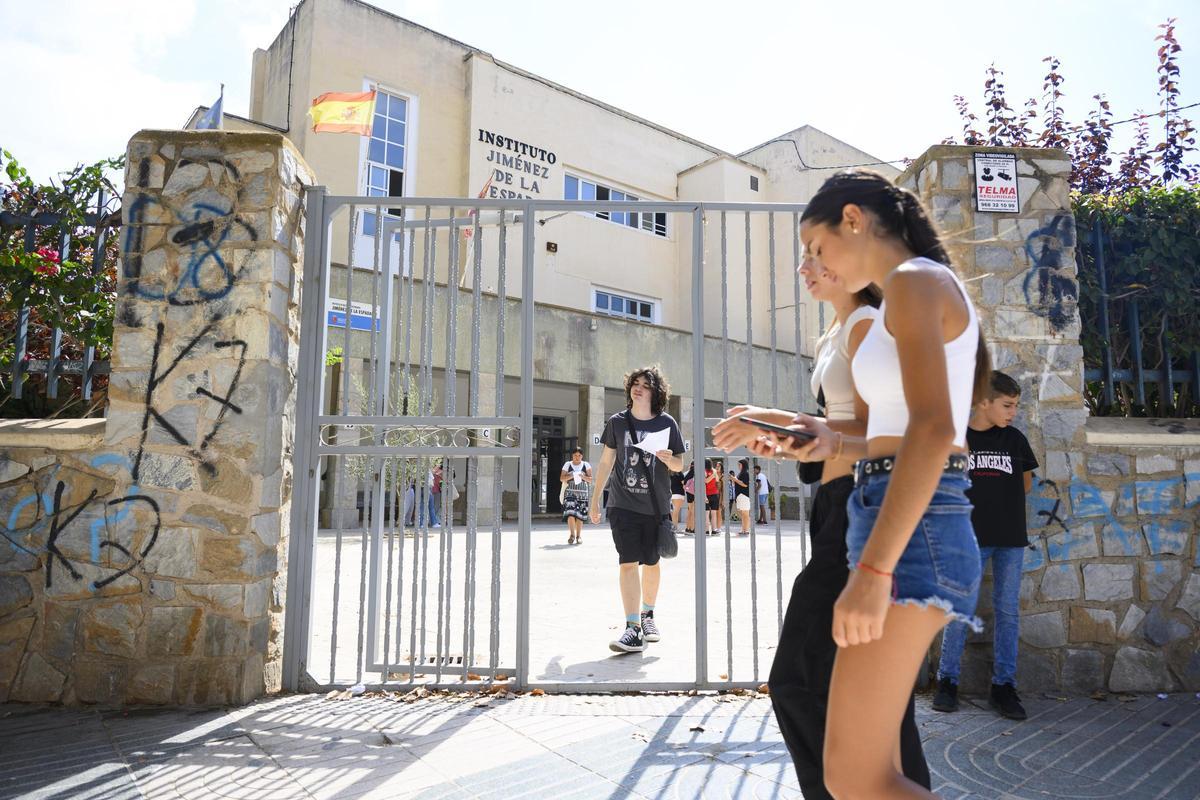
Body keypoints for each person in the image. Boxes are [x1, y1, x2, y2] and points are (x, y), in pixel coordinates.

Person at [727, 169, 990, 799]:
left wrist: (872, 573)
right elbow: (896, 430)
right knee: (869, 774)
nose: (814, 263)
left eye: (816, 247)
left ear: (853, 219)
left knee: (856, 777)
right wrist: (826, 440)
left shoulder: (914, 281)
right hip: (894, 511)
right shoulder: (906, 290)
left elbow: (933, 428)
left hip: (914, 526)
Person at [714, 250, 930, 799]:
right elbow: (835, 429)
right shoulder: (833, 334)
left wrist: (782, 425)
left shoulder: (867, 326)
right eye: (803, 255)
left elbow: (885, 432)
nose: (803, 267)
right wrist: (773, 426)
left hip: (863, 508)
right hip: (835, 506)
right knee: (874, 688)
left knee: (797, 681)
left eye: (818, 254)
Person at [933, 370, 1037, 720]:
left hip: (1010, 539)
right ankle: (947, 681)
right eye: (1007, 405)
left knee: (1007, 611)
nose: (1013, 412)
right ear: (983, 402)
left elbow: (1025, 484)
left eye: (1016, 405)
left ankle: (1003, 686)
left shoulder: (1015, 440)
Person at [589, 366, 685, 653]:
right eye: (635, 383)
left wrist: (668, 459)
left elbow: (680, 464)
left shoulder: (667, 423)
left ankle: (648, 616)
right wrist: (595, 499)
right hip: (623, 504)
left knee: (652, 562)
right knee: (628, 562)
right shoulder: (617, 423)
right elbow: (606, 462)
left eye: (645, 384)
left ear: (656, 392)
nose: (638, 388)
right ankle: (632, 628)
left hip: (655, 507)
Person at [561, 448, 593, 545]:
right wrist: (572, 475)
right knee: (570, 513)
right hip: (570, 492)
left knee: (580, 514)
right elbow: (562, 478)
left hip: (582, 492)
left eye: (579, 455)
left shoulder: (586, 465)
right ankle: (572, 535)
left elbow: (590, 479)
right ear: (572, 456)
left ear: (582, 456)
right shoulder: (567, 465)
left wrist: (582, 476)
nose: (577, 457)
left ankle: (579, 536)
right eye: (575, 455)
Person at [730, 459, 752, 535]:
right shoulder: (741, 473)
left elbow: (745, 484)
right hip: (740, 495)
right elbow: (738, 483)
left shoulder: (746, 473)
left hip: (744, 495)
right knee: (742, 514)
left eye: (739, 464)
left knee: (745, 513)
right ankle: (743, 529)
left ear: (743, 465)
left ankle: (746, 530)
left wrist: (735, 479)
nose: (738, 466)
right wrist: (734, 480)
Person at [704, 460, 721, 536]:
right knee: (713, 513)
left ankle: (707, 531)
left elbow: (705, 481)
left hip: (707, 494)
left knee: (707, 513)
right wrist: (713, 475)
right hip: (714, 494)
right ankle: (713, 530)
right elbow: (716, 480)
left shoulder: (704, 471)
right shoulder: (714, 471)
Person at [682, 462, 697, 535]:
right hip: (695, 493)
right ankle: (693, 528)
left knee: (689, 512)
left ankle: (687, 528)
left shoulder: (687, 474)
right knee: (693, 512)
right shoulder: (698, 473)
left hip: (689, 494)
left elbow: (683, 485)